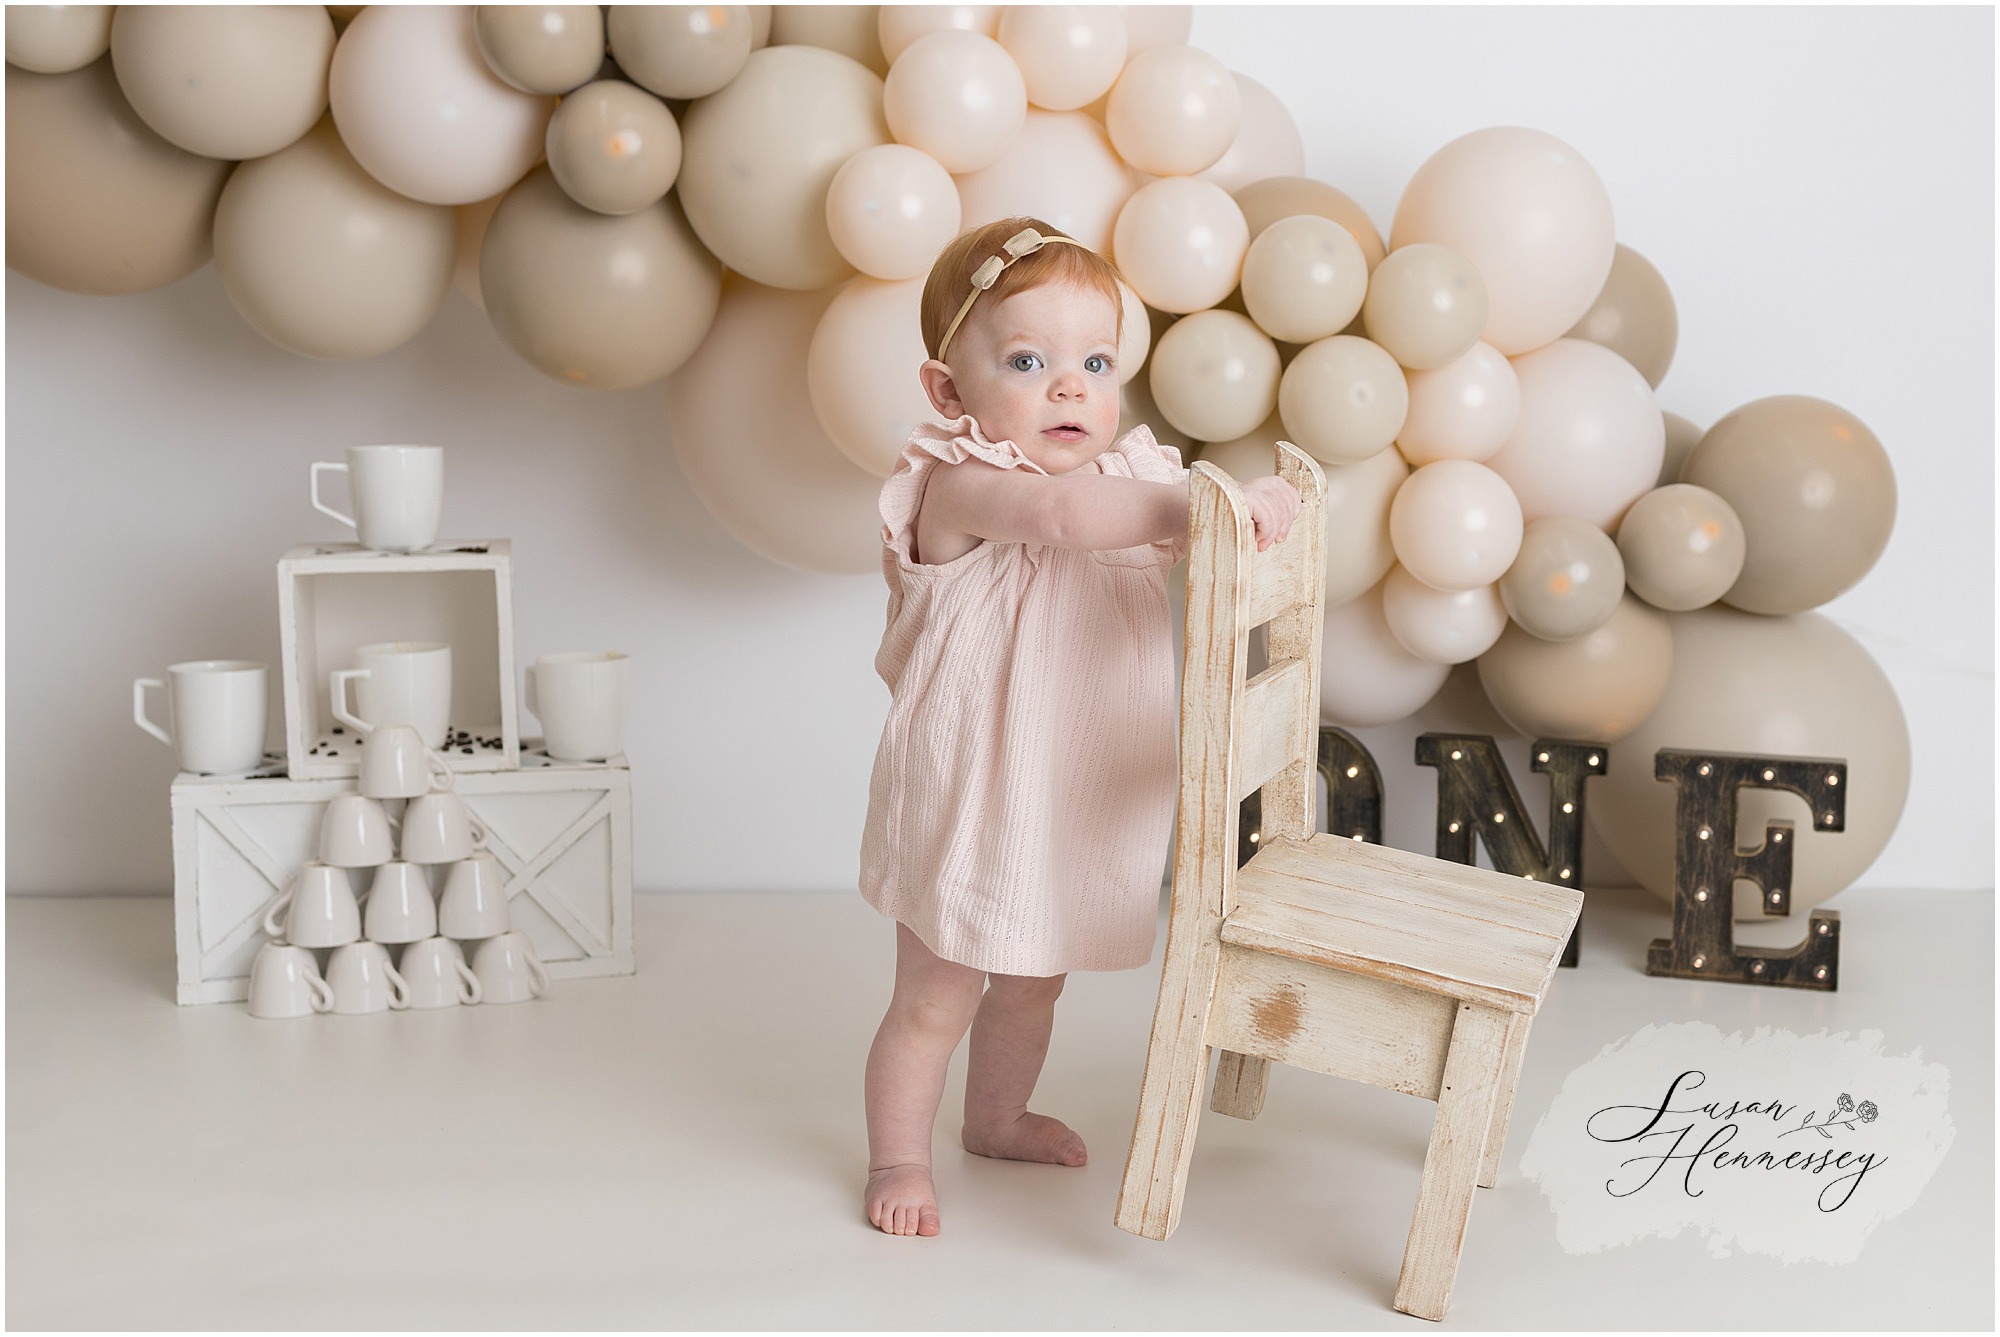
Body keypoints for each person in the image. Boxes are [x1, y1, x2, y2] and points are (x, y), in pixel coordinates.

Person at [857, 216, 1303, 1237]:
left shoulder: (1123, 482)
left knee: (1030, 977)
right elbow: (1063, 524)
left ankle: (996, 1114)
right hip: (966, 793)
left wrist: (1245, 510)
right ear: (947, 389)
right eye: (1027, 359)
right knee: (937, 992)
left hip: (1061, 788)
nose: (1070, 386)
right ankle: (895, 1153)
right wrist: (1201, 503)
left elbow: (1153, 529)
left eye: (1094, 361)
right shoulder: (958, 485)